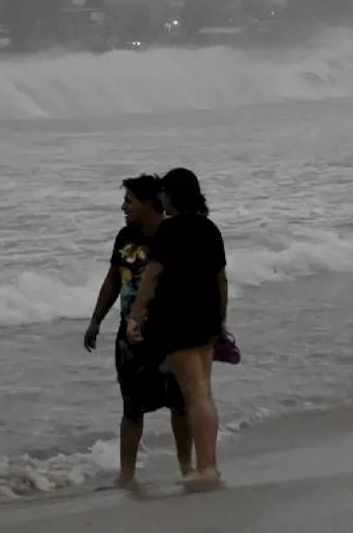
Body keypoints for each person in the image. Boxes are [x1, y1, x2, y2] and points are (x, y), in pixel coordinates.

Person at [84, 174, 192, 488]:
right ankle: (127, 475)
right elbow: (113, 280)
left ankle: (187, 469)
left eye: (129, 200)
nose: (124, 207)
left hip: (171, 335)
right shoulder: (125, 237)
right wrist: (96, 320)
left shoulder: (174, 235)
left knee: (180, 404)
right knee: (131, 407)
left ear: (148, 202)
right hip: (130, 338)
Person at [126, 167, 228, 491]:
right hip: (207, 319)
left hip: (179, 321)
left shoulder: (170, 231)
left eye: (164, 194)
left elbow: (151, 278)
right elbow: (221, 280)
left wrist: (135, 316)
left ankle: (207, 468)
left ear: (173, 195)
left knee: (194, 395)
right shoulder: (210, 229)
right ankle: (209, 464)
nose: (162, 199)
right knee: (205, 394)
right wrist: (221, 319)